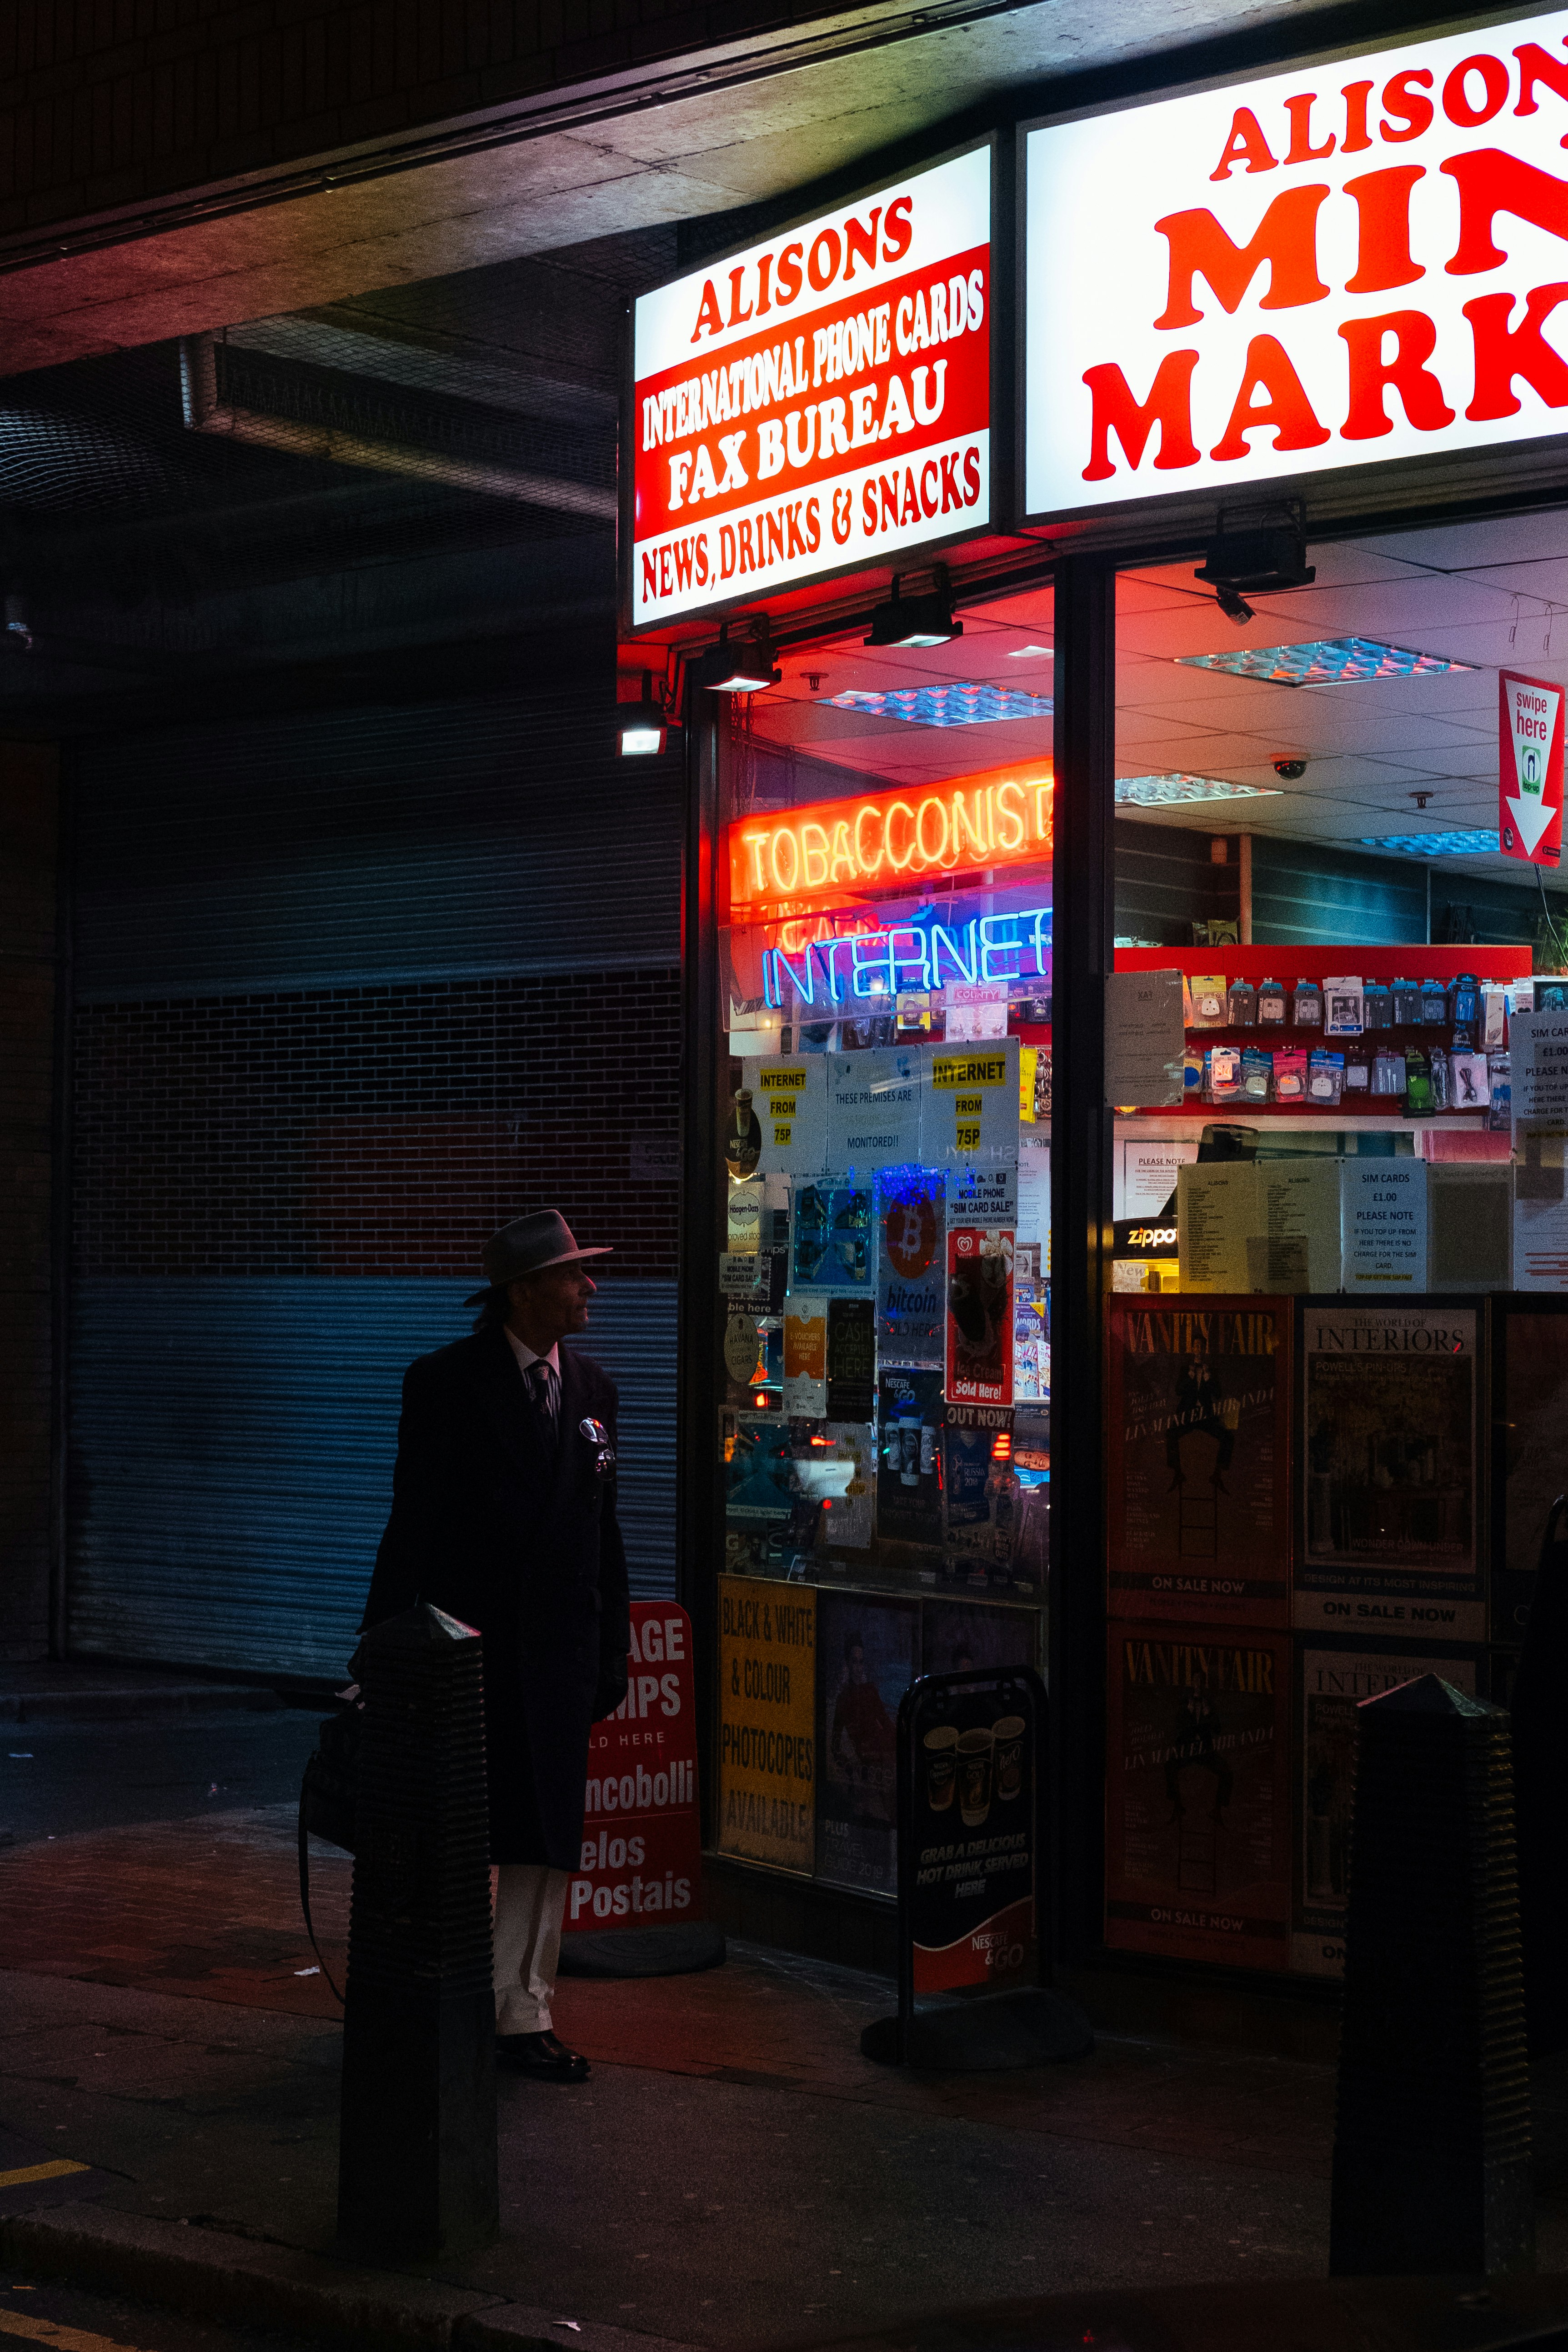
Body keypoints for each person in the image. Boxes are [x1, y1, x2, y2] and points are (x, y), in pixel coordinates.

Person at [362, 1209, 630, 2083]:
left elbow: (607, 1534)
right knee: (457, 1827)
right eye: (571, 1275)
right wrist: (377, 1644)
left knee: (545, 1836)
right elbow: (413, 1522)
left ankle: (524, 2010)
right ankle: (443, 1994)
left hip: (558, 1653)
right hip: (467, 1650)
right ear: (523, 1292)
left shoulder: (592, 1389)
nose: (589, 1287)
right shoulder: (443, 1382)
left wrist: (612, 1649)